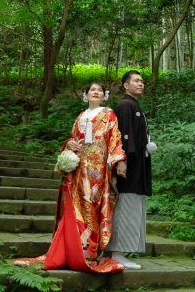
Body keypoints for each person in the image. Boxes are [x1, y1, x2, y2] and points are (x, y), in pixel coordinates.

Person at [14, 82, 127, 273]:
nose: (96, 92)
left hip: (97, 168)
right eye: (92, 90)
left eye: (99, 90)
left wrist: (119, 160)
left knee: (91, 205)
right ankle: (70, 249)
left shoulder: (109, 114)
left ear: (104, 96)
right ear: (85, 95)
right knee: (73, 206)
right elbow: (74, 138)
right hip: (78, 166)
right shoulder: (81, 116)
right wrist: (69, 145)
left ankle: (88, 252)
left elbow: (115, 139)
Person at [106, 70, 154, 270]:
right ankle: (117, 253)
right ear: (126, 85)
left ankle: (118, 252)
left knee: (131, 203)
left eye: (142, 81)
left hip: (137, 165)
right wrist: (121, 160)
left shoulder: (134, 106)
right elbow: (122, 136)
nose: (140, 84)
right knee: (124, 205)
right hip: (129, 166)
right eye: (136, 81)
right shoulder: (126, 106)